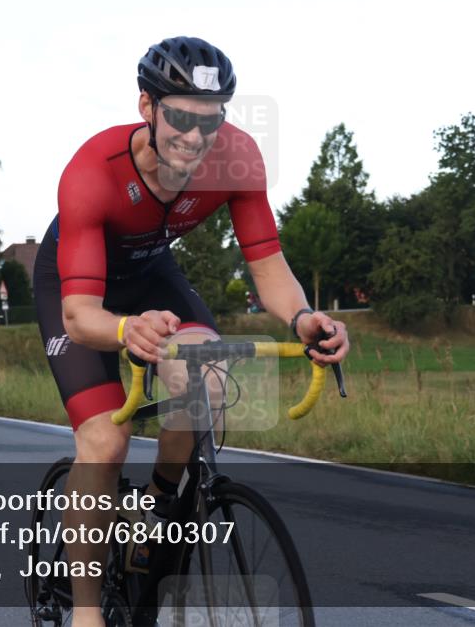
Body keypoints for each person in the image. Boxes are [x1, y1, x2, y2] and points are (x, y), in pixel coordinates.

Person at [33, 35, 349, 627]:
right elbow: (81, 315)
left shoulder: (239, 157)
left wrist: (305, 318)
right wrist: (128, 329)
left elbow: (265, 261)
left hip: (152, 273)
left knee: (203, 375)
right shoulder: (93, 173)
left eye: (211, 121)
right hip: (78, 288)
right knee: (104, 442)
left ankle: (157, 512)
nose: (195, 137)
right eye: (179, 117)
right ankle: (84, 612)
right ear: (147, 108)